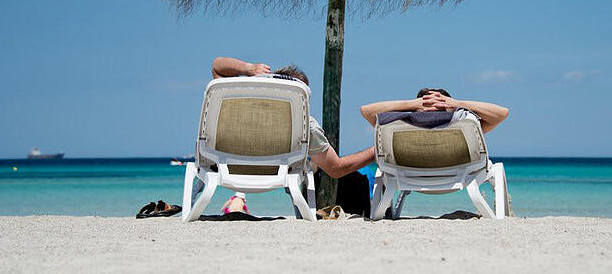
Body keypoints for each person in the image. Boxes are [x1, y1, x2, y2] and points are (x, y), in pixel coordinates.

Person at [211, 56, 376, 214]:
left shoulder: (240, 109)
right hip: (278, 176)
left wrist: (249, 69)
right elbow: (335, 168)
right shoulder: (305, 125)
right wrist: (376, 151)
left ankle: (237, 200)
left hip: (230, 172)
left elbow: (218, 67)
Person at [359, 87, 509, 133]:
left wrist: (411, 105)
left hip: (408, 174)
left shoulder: (397, 125)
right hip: (458, 173)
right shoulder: (466, 126)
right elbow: (501, 114)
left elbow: (367, 112)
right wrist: (458, 104)